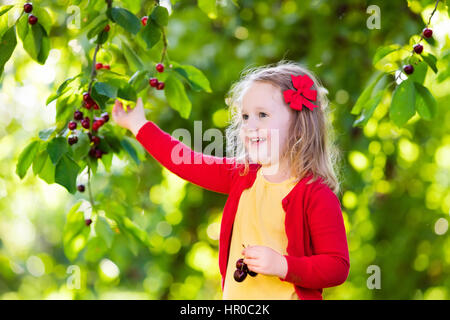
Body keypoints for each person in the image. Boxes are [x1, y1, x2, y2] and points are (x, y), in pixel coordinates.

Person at [112, 60, 349, 300]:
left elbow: (337, 266)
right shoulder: (243, 175)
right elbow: (184, 161)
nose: (250, 125)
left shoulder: (315, 194)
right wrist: (137, 124)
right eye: (245, 117)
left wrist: (284, 266)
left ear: (300, 126)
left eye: (262, 115)